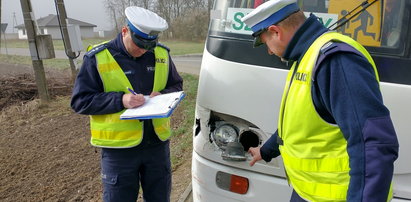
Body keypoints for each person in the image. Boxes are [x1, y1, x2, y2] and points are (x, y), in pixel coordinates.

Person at [241, 0, 399, 201]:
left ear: (275, 31)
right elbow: (300, 122)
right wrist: (266, 151)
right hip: (307, 192)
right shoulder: (306, 57)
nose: (269, 51)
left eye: (266, 43)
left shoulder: (335, 61)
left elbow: (372, 144)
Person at [70, 6, 183, 202]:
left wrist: (162, 94)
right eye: (138, 44)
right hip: (119, 152)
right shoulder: (97, 57)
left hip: (156, 146)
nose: (143, 50)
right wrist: (120, 100)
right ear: (125, 31)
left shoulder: (160, 54)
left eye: (148, 46)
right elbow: (80, 101)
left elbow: (176, 85)